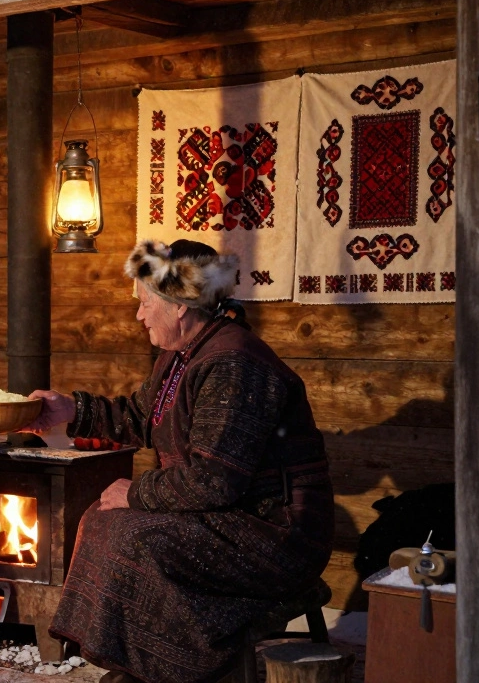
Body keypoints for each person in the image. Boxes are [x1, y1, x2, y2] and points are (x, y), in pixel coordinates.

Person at [25, 240, 334, 683]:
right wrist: (72, 411)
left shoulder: (233, 364)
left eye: (145, 302)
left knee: (135, 535)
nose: (139, 315)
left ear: (180, 307)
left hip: (275, 533)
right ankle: (145, 662)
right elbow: (142, 416)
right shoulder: (182, 355)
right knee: (102, 519)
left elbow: (214, 482)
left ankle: (185, 666)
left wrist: (134, 493)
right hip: (228, 518)